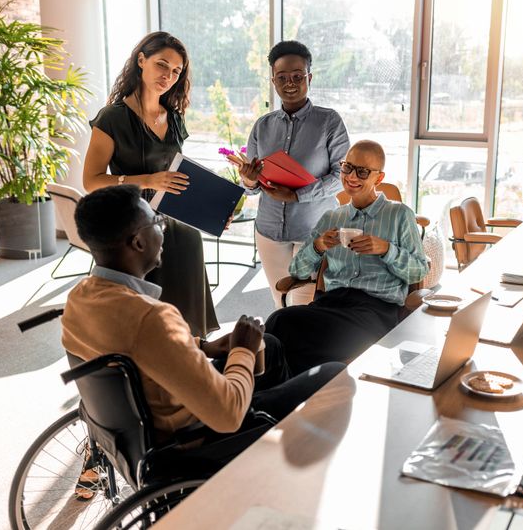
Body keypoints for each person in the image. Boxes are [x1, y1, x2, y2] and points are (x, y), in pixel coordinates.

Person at [61, 185, 344, 496]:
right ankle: (286, 452)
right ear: (138, 242)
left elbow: (134, 348)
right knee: (332, 374)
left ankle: (279, 444)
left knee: (273, 345)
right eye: (156, 221)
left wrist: (204, 346)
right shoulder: (151, 317)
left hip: (135, 428)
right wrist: (243, 351)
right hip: (194, 438)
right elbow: (228, 415)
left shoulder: (81, 298)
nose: (162, 228)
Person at [82, 31, 216, 337]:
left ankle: (189, 352)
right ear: (141, 60)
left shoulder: (175, 119)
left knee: (189, 249)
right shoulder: (112, 118)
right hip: (131, 223)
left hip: (172, 220)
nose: (168, 76)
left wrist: (212, 206)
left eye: (176, 71)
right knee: (138, 319)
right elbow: (91, 181)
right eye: (161, 65)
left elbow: (178, 176)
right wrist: (147, 180)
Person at [265, 141, 428, 374]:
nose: (351, 176)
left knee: (306, 340)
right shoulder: (332, 218)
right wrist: (318, 246)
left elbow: (419, 271)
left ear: (378, 178)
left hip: (374, 311)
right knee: (279, 321)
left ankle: (288, 391)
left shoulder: (399, 214)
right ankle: (275, 393)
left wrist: (386, 249)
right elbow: (297, 271)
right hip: (330, 304)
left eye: (362, 171)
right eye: (347, 167)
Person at [235, 40, 350, 308]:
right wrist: (249, 180)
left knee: (303, 305)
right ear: (273, 81)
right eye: (282, 77)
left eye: (298, 76)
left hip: (314, 230)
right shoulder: (262, 126)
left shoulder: (329, 122)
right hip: (269, 230)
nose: (290, 83)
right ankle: (282, 350)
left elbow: (341, 177)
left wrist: (297, 195)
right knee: (279, 301)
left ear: (309, 78)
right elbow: (251, 187)